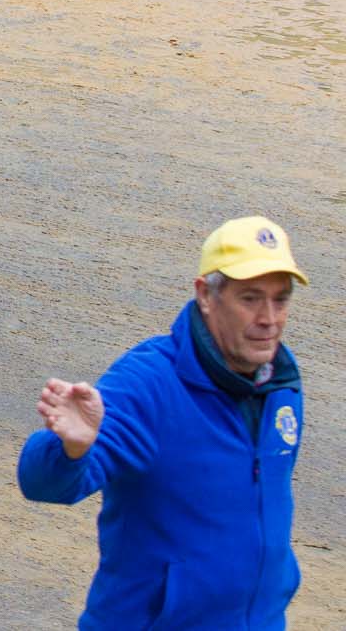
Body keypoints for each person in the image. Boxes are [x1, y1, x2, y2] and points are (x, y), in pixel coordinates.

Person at [18, 216, 307, 630]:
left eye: (280, 300)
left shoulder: (281, 383)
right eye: (250, 299)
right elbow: (43, 484)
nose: (269, 318)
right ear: (206, 295)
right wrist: (71, 449)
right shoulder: (148, 384)